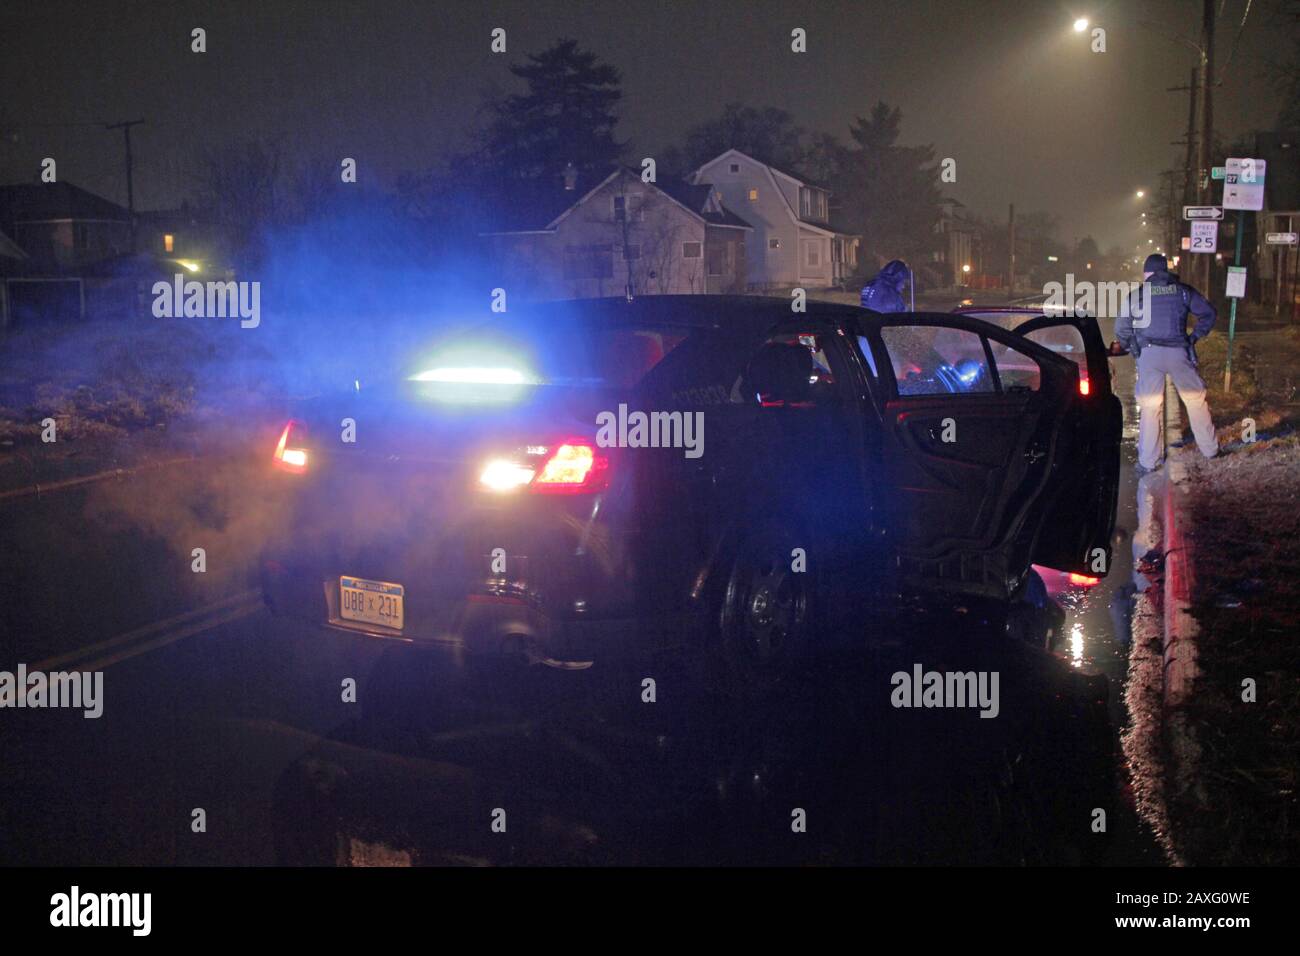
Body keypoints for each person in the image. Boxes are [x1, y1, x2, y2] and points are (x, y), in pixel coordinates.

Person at [1113, 253, 1219, 473]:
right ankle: (1210, 451)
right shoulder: (1182, 291)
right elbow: (1208, 313)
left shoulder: (1137, 295)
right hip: (1179, 352)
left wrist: (1132, 346)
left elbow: (1122, 328)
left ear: (1148, 273)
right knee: (1195, 399)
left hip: (1149, 354)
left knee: (1150, 407)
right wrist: (1194, 337)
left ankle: (1149, 461)